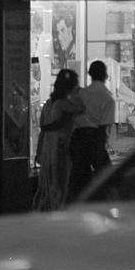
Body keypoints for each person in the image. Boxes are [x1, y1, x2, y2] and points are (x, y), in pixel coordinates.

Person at [32, 69, 85, 212]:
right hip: (60, 150)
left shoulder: (49, 104)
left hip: (47, 151)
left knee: (48, 187)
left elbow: (43, 130)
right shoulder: (64, 105)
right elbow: (81, 108)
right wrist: (77, 92)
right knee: (60, 185)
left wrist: (39, 152)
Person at [68, 60, 116, 200]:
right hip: (94, 140)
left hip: (77, 140)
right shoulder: (107, 98)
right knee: (106, 181)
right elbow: (103, 129)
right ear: (106, 76)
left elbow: (71, 120)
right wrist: (100, 154)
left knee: (79, 182)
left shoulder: (81, 94)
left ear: (89, 74)